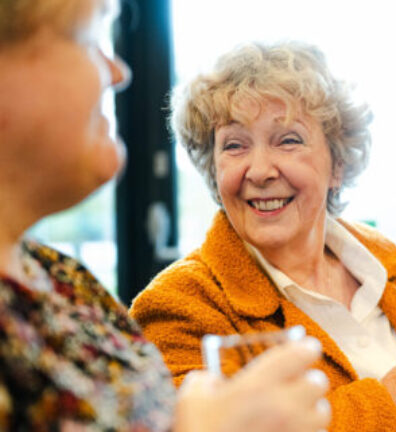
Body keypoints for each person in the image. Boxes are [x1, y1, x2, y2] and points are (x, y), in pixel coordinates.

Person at [129, 40, 396, 432]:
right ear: (213, 169)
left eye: (288, 140)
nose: (260, 170)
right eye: (234, 145)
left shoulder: (390, 273)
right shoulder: (178, 305)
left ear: (337, 164)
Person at [0, 0, 331, 430]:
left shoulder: (68, 285)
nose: (119, 73)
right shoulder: (175, 302)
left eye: (288, 140)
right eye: (88, 39)